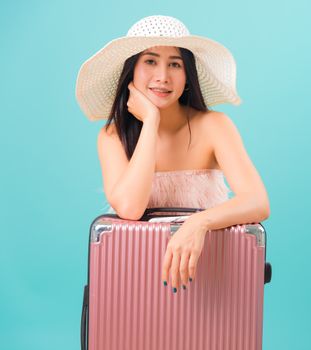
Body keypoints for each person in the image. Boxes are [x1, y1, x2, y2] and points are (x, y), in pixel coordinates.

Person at [75, 15, 270, 294]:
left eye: (175, 64)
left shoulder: (214, 125)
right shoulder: (112, 136)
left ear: (187, 74)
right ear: (131, 70)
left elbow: (258, 202)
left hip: (209, 273)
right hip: (137, 278)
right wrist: (151, 121)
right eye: (151, 61)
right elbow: (130, 209)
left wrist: (198, 223)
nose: (163, 76)